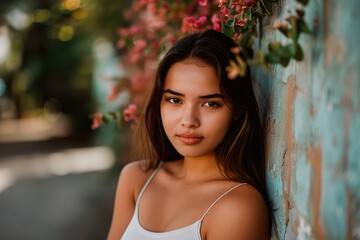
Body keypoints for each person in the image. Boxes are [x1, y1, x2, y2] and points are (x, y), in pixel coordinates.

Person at [107, 29, 272, 240]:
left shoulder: (237, 207)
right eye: (175, 100)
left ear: (237, 109)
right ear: (159, 102)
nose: (189, 121)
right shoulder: (136, 179)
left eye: (211, 104)